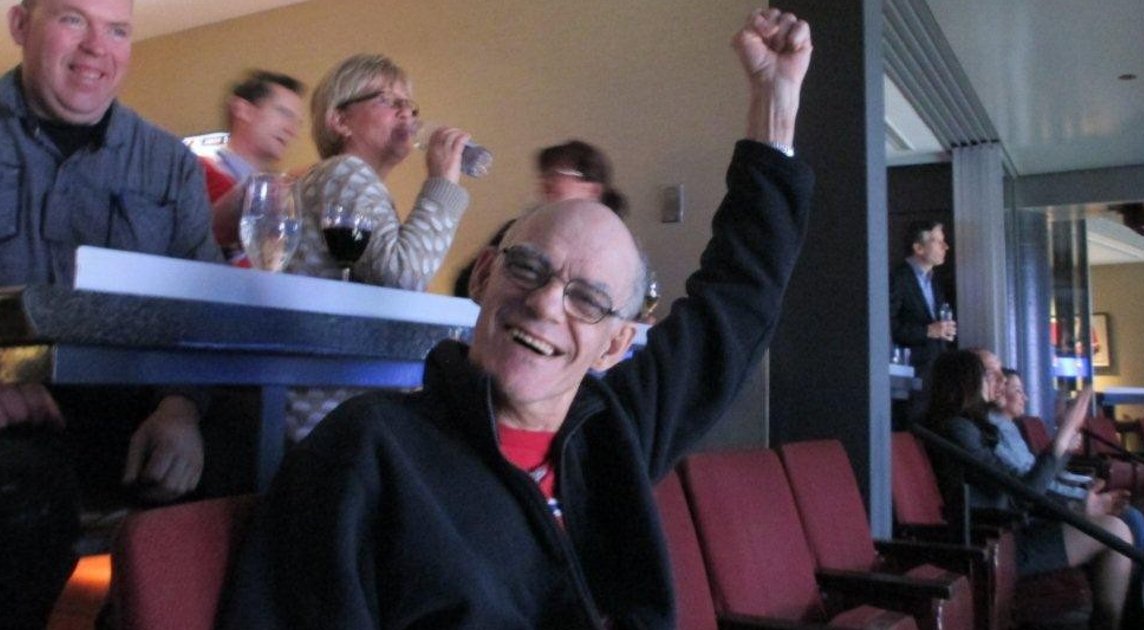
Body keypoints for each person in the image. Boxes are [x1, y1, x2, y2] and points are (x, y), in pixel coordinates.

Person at [219, 9, 814, 628]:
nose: (546, 303)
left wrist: (775, 107)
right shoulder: (367, 450)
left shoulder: (614, 435)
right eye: (528, 268)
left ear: (615, 343)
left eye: (587, 299)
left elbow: (737, 301)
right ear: (483, 276)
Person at [0, 0, 223, 625]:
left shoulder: (170, 165)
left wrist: (181, 406)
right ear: (21, 25)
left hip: (134, 416)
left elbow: (202, 303)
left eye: (117, 30)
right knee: (20, 495)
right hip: (14, 416)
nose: (98, 47)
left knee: (273, 473)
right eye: (73, 19)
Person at [278, 54, 476, 440]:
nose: (407, 113)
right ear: (340, 120)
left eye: (410, 105)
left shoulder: (346, 179)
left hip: (334, 397)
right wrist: (443, 184)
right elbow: (401, 274)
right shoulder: (344, 170)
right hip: (330, 410)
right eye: (387, 100)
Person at [926, 350, 1131, 630]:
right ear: (967, 382)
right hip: (994, 544)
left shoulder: (973, 427)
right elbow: (1024, 493)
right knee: (1117, 531)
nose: (999, 381)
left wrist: (1076, 502)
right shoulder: (958, 429)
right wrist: (1061, 441)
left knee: (1119, 527)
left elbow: (1024, 486)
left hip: (1008, 530)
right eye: (988, 376)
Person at [991, 363, 1144, 551]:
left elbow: (1045, 472)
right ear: (998, 392)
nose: (1025, 398)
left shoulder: (1011, 427)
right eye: (1018, 391)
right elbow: (1034, 483)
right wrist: (1080, 498)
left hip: (1057, 498)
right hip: (1047, 509)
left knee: (1134, 520)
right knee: (1133, 521)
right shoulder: (994, 432)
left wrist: (1070, 460)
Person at [451, 139, 627, 299]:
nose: (547, 180)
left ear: (592, 190)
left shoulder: (613, 249)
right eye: (546, 173)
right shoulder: (519, 229)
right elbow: (465, 285)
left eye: (559, 173)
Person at [202, 69, 305, 267]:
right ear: (243, 110)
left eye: (296, 122)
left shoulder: (287, 197)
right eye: (284, 113)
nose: (292, 130)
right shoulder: (198, 174)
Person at [890, 220, 954, 426]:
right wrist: (928, 331)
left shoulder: (934, 281)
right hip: (910, 377)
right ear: (918, 248)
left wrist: (943, 331)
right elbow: (887, 326)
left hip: (935, 374)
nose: (945, 246)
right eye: (937, 241)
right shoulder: (898, 279)